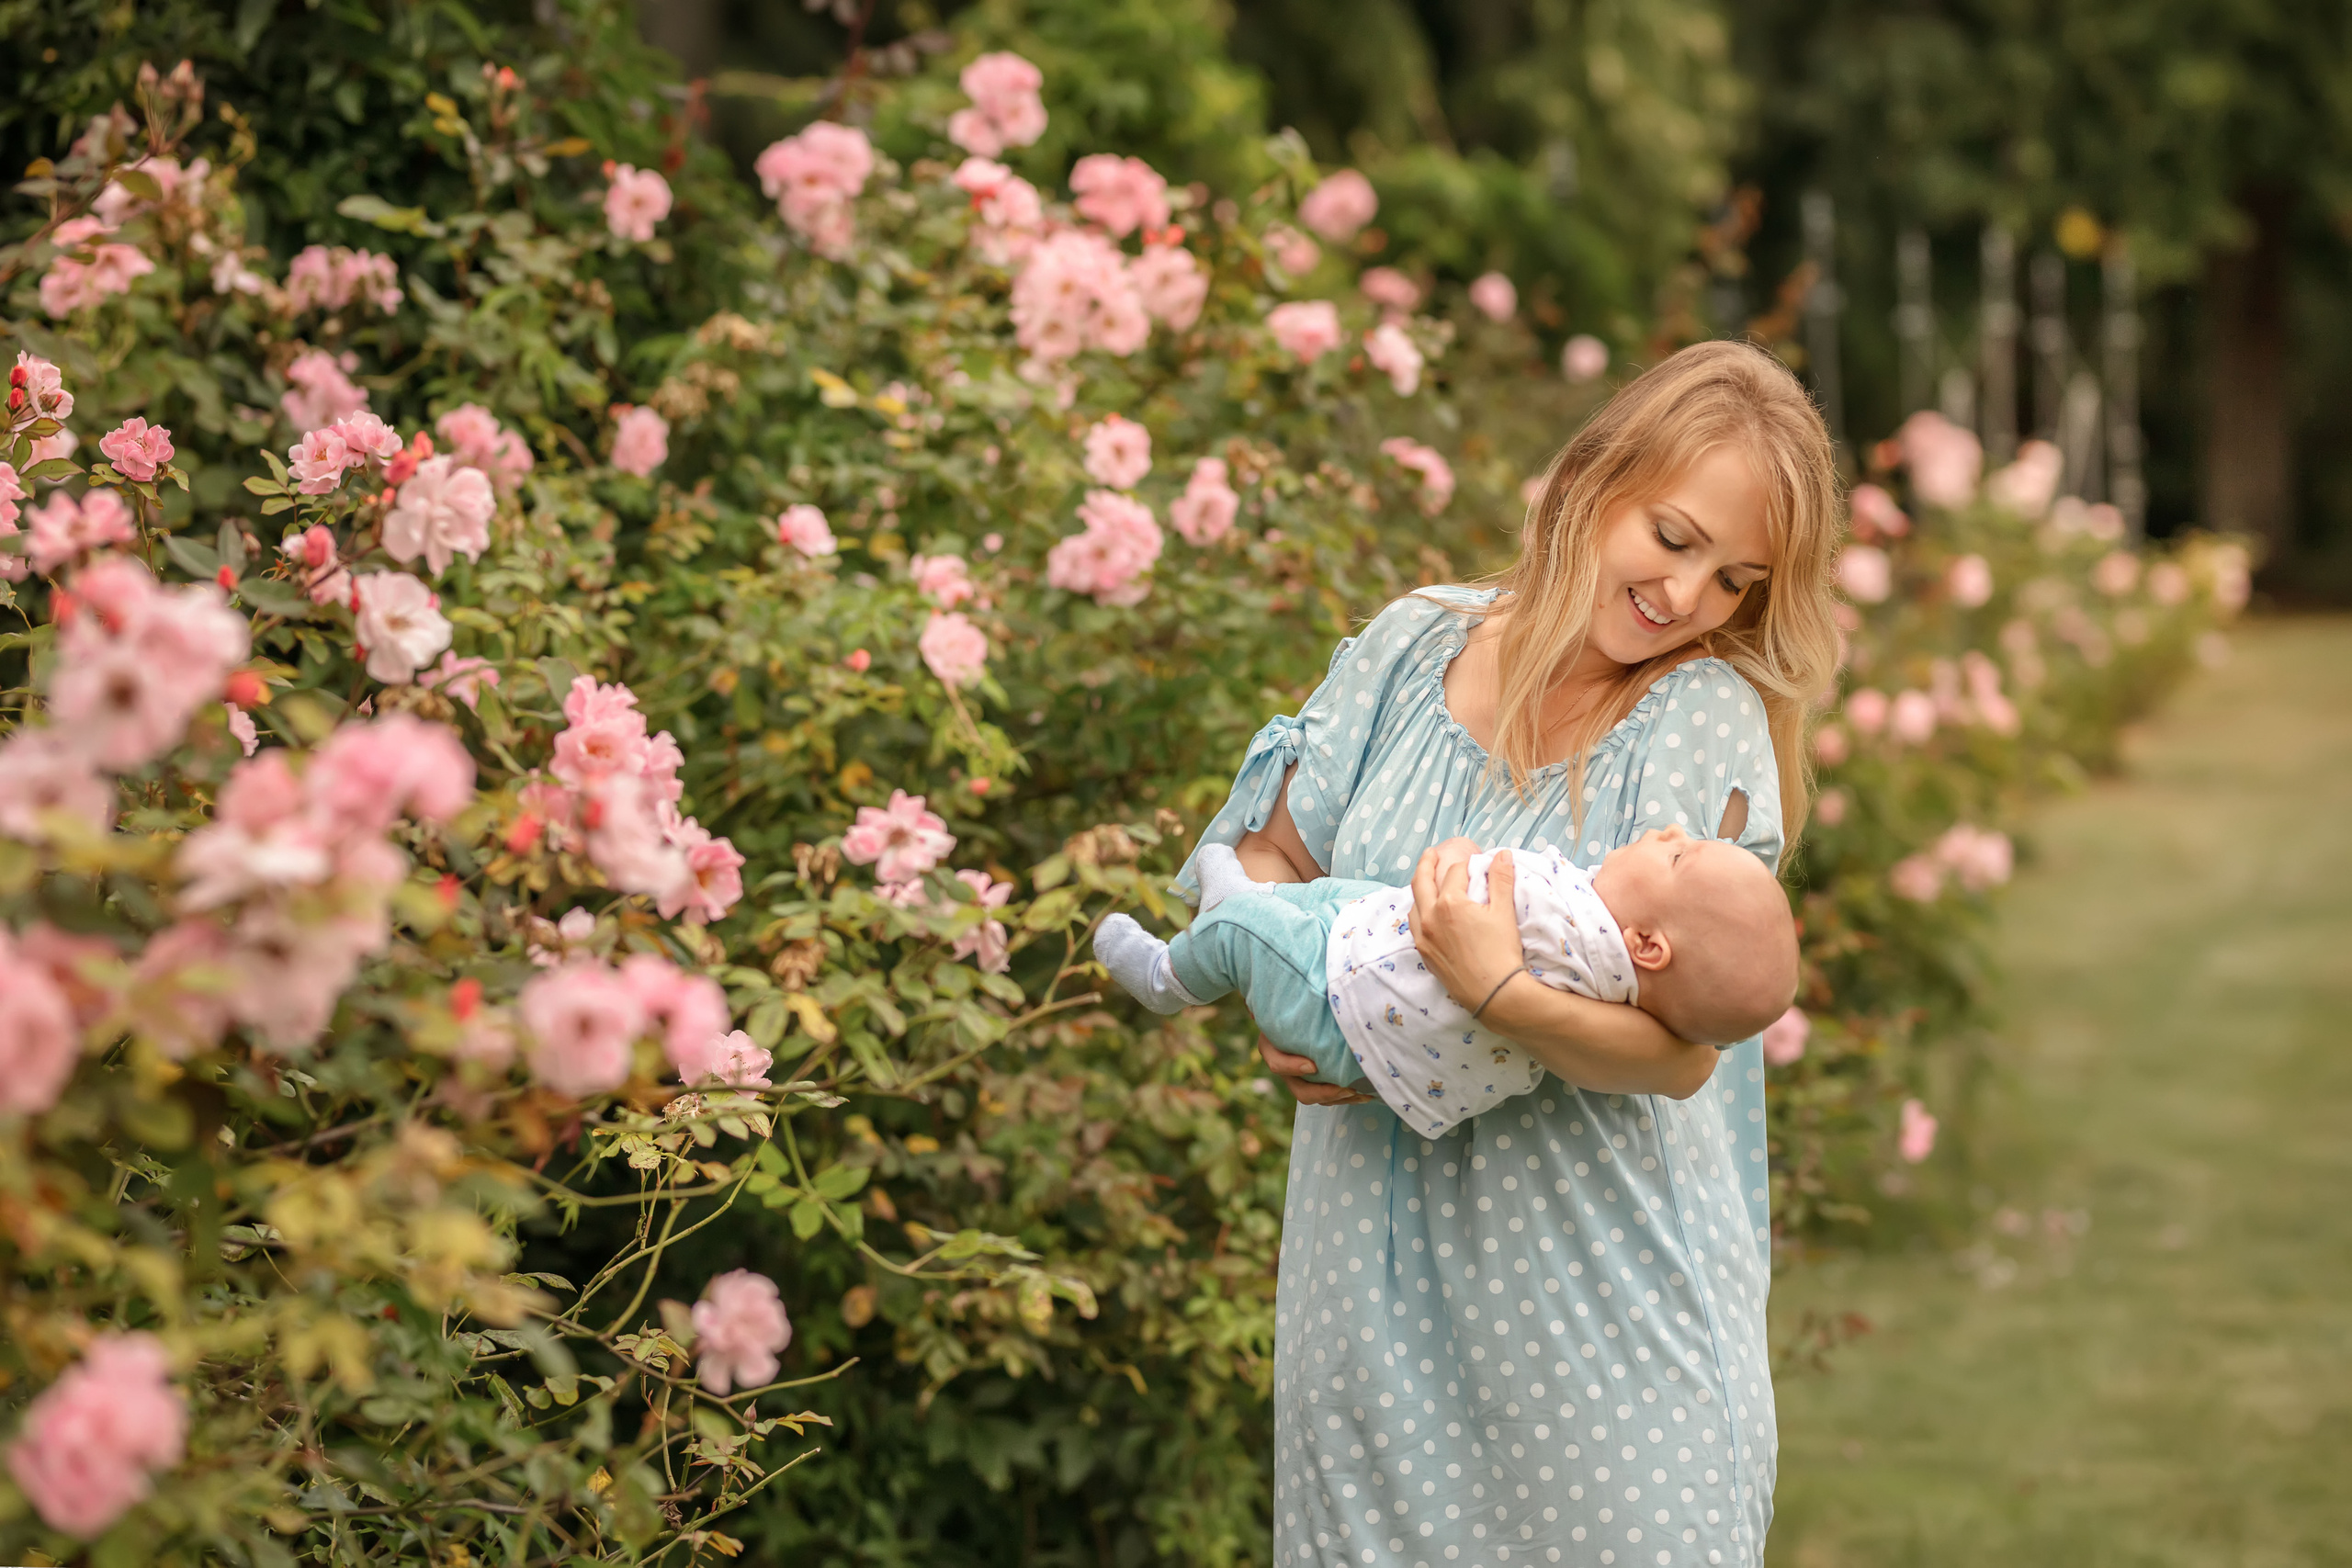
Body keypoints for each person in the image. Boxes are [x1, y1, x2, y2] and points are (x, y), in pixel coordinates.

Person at [1165, 339, 1842, 1568]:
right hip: (1370, 1302)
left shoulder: (1698, 717)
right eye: (1673, 538)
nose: (1687, 595)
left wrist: (1496, 990)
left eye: (1734, 580)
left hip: (1603, 1310)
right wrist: (1291, 987)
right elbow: (1270, 853)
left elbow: (1680, 1056)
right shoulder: (1409, 645)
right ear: (1592, 478)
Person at [1097, 829, 1799, 1138]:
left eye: (1678, 854)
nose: (1670, 831)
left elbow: (1464, 893)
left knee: (1252, 929)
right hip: (1363, 989)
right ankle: (1247, 908)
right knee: (1331, 898)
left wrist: (1460, 852)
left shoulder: (1573, 929)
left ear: (1647, 945)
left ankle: (1169, 975)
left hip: (1340, 1003)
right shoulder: (1607, 970)